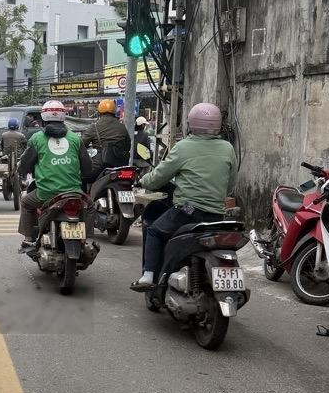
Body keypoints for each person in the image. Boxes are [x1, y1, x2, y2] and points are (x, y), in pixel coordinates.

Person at [131, 102, 237, 290]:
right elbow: (230, 184)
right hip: (216, 215)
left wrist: (143, 181)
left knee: (154, 231)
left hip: (188, 211)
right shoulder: (227, 148)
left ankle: (148, 276)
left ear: (191, 124)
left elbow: (159, 177)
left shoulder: (183, 147)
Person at [17, 99, 95, 248]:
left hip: (46, 193)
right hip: (74, 192)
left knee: (26, 203)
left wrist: (22, 169)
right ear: (63, 117)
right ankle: (88, 240)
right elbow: (88, 168)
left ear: (43, 118)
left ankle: (28, 238)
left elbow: (25, 165)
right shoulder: (75, 139)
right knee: (90, 206)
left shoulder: (37, 139)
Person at [80, 98, 132, 171]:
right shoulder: (122, 127)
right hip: (120, 165)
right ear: (114, 112)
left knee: (83, 175)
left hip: (100, 167)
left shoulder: (94, 127)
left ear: (99, 113)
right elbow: (128, 146)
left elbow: (81, 144)